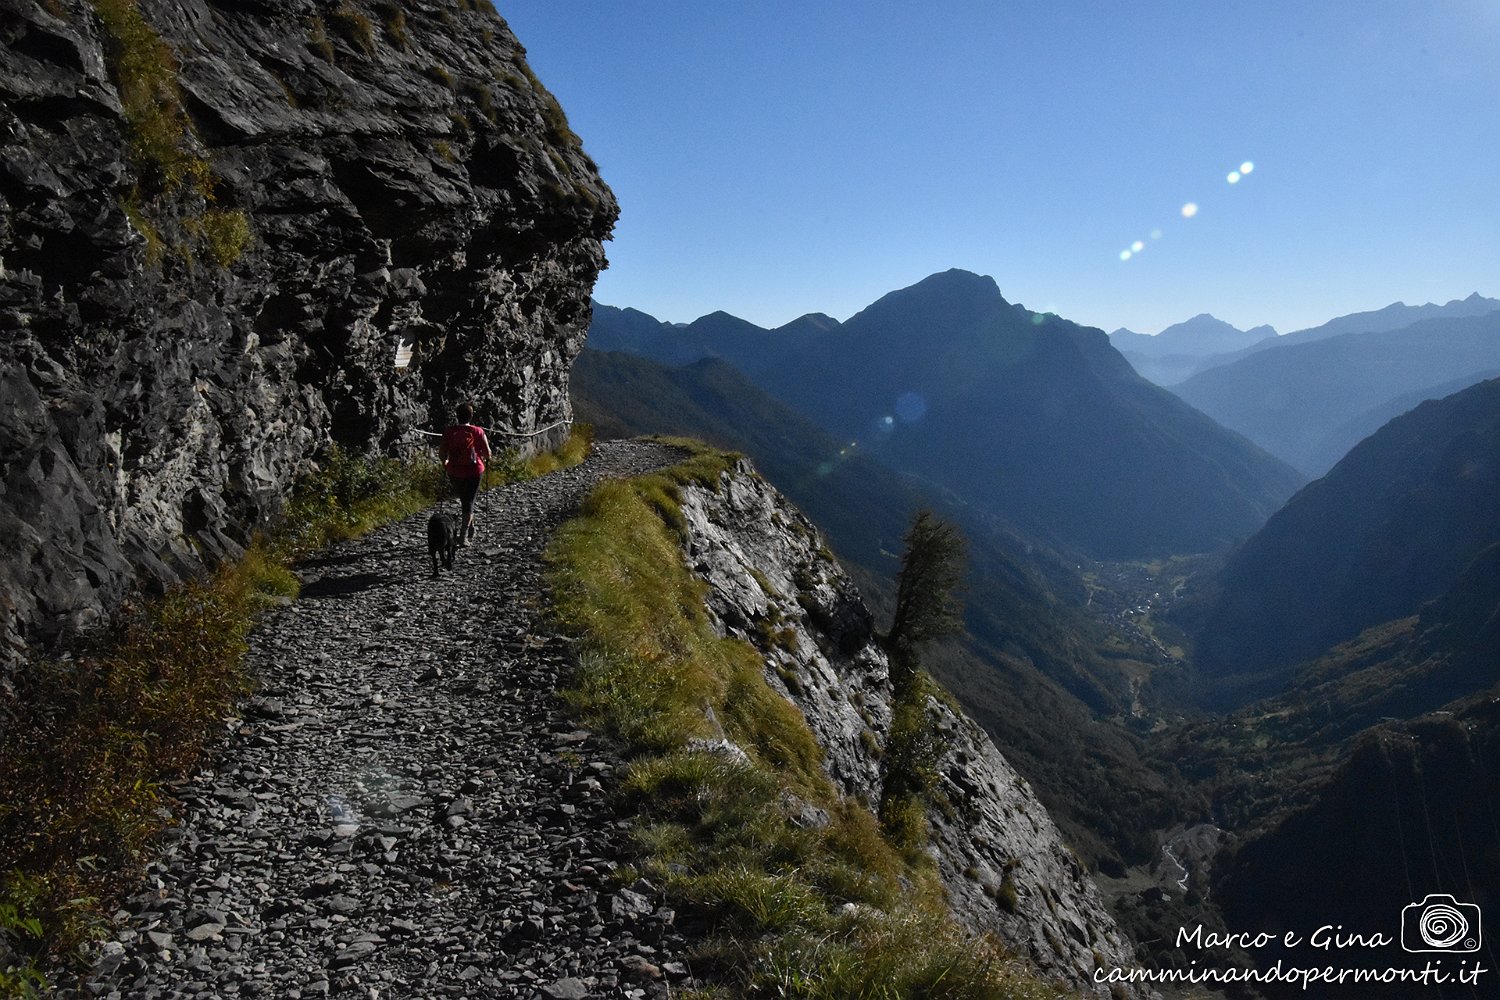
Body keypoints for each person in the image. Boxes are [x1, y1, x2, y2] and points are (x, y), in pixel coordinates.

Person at [438, 402, 492, 545]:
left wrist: (446, 463)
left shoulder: (449, 431)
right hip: (474, 471)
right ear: (471, 416)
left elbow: (442, 453)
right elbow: (488, 453)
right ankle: (463, 536)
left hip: (454, 471)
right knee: (468, 503)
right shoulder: (478, 431)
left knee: (465, 501)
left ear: (457, 415)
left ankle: (471, 528)